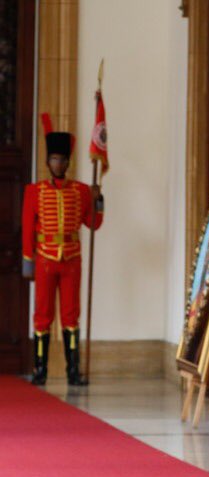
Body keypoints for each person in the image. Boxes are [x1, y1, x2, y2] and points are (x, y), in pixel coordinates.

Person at [21, 115, 104, 386]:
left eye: (62, 159)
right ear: (48, 162)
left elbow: (94, 224)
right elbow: (27, 228)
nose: (59, 164)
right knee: (42, 316)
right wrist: (28, 263)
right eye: (54, 159)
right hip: (45, 259)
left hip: (71, 259)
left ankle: (73, 371)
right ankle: (40, 370)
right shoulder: (34, 191)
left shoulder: (81, 191)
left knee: (71, 316)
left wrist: (98, 200)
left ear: (68, 162)